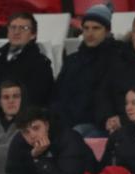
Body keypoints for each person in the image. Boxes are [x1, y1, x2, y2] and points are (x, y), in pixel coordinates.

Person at [52, 3, 123, 138]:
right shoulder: (72, 60)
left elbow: (105, 100)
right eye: (86, 28)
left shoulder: (117, 58)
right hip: (67, 123)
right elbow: (58, 95)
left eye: (96, 28)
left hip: (97, 125)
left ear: (107, 31)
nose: (90, 33)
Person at [0, 13, 53, 110]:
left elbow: (36, 98)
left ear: (33, 35)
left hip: (24, 118)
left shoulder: (40, 64)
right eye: (13, 27)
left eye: (24, 28)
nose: (16, 32)